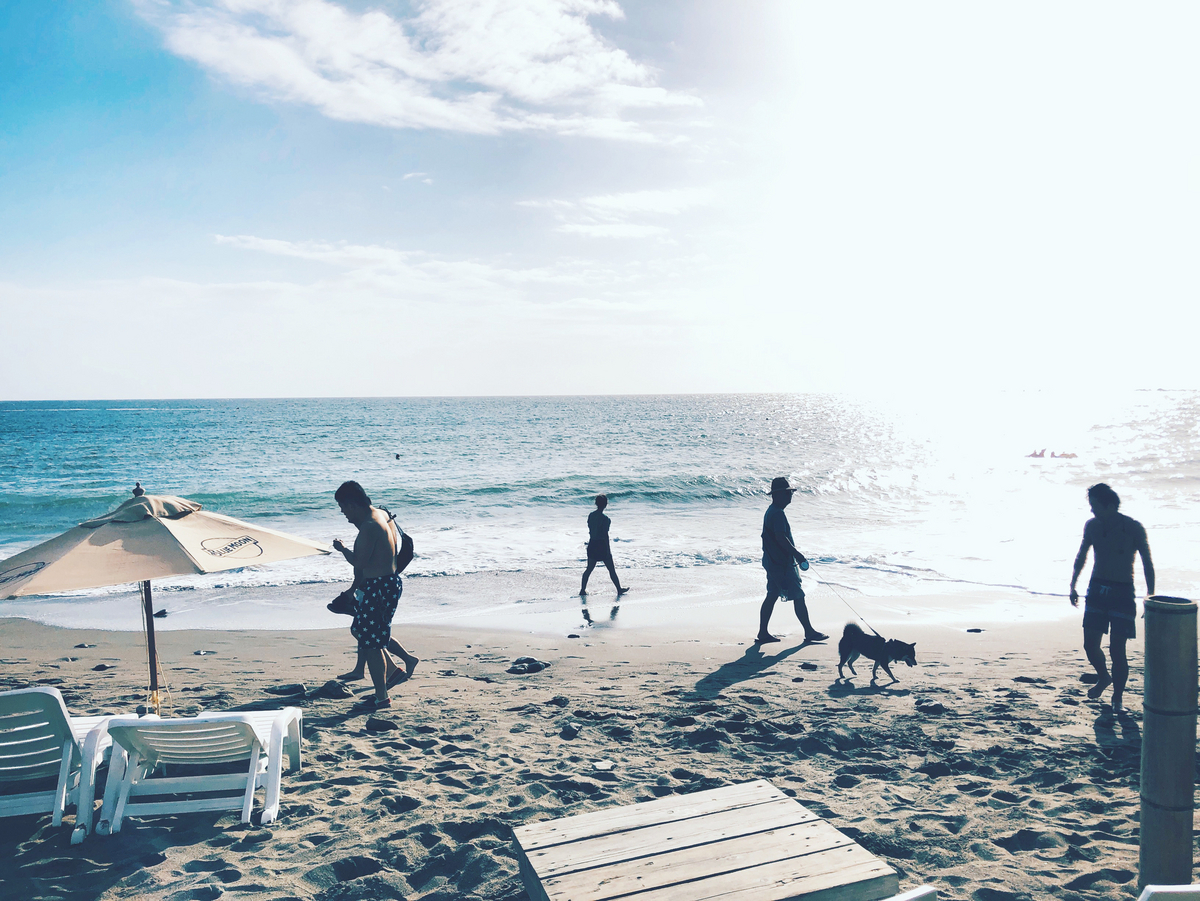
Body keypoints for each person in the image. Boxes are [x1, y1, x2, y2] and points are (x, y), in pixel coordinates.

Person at [332, 481, 418, 708]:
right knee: (371, 638)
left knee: (371, 643)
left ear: (352, 505)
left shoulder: (369, 526)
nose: (343, 513)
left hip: (378, 587)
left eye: (343, 507)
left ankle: (381, 697)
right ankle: (387, 684)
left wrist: (342, 550)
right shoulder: (381, 514)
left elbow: (360, 562)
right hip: (389, 583)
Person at [1069, 483, 1155, 711]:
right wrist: (1073, 584)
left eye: (1095, 506)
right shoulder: (1092, 526)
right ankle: (1103, 677)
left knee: (1117, 649)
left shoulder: (1133, 528)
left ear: (1110, 506)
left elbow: (1147, 562)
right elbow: (1081, 556)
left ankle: (1117, 697)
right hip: (1097, 589)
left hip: (1122, 592)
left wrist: (1150, 595)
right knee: (1090, 645)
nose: (1092, 510)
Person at [758, 477, 828, 645]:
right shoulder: (778, 514)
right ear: (777, 495)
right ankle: (809, 632)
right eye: (787, 493)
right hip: (781, 564)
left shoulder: (771, 511)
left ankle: (762, 632)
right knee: (798, 595)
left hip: (772, 562)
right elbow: (781, 538)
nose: (790, 496)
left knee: (772, 595)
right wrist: (797, 554)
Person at [580, 495, 629, 596]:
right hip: (601, 545)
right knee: (611, 569)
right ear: (606, 504)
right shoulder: (606, 519)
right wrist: (608, 550)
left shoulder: (591, 516)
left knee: (589, 569)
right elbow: (605, 535)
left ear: (596, 503)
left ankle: (582, 590)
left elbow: (590, 528)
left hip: (592, 544)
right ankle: (619, 589)